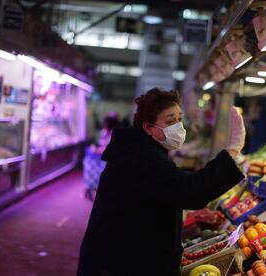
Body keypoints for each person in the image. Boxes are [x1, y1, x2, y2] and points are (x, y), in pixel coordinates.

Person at [77, 88, 246, 276]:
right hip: (122, 262)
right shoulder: (142, 158)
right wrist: (232, 151)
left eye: (179, 119)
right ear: (148, 127)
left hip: (123, 256)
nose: (178, 126)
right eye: (169, 121)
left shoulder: (139, 150)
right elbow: (190, 191)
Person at [83, 112, 119, 200]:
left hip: (105, 160)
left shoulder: (113, 134)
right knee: (88, 165)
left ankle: (93, 190)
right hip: (99, 157)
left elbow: (106, 149)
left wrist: (96, 150)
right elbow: (101, 145)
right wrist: (95, 149)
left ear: (109, 123)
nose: (103, 124)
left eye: (105, 122)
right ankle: (89, 189)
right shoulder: (105, 131)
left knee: (95, 171)